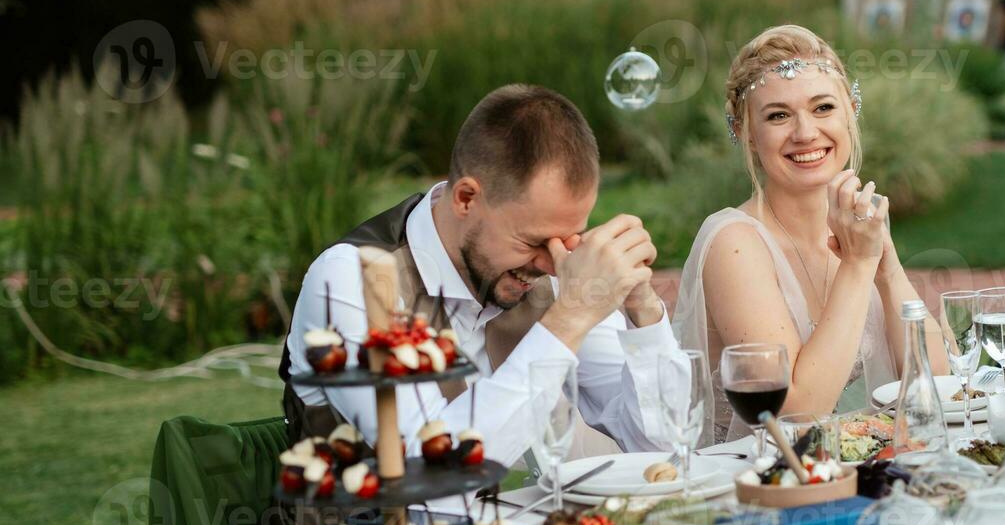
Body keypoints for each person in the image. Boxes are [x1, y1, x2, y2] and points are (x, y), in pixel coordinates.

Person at [282, 84, 682, 465]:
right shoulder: (353, 280)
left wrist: (643, 310)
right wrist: (570, 317)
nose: (551, 264)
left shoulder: (553, 266)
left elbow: (660, 443)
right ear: (466, 199)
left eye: (569, 238)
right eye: (533, 242)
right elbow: (434, 470)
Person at [673, 24, 946, 439]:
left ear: (850, 111)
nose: (805, 133)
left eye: (822, 108)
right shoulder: (734, 243)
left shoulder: (856, 227)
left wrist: (886, 270)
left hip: (847, 472)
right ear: (747, 134)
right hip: (755, 485)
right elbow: (794, 413)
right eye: (778, 115)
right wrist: (857, 265)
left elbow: (938, 384)